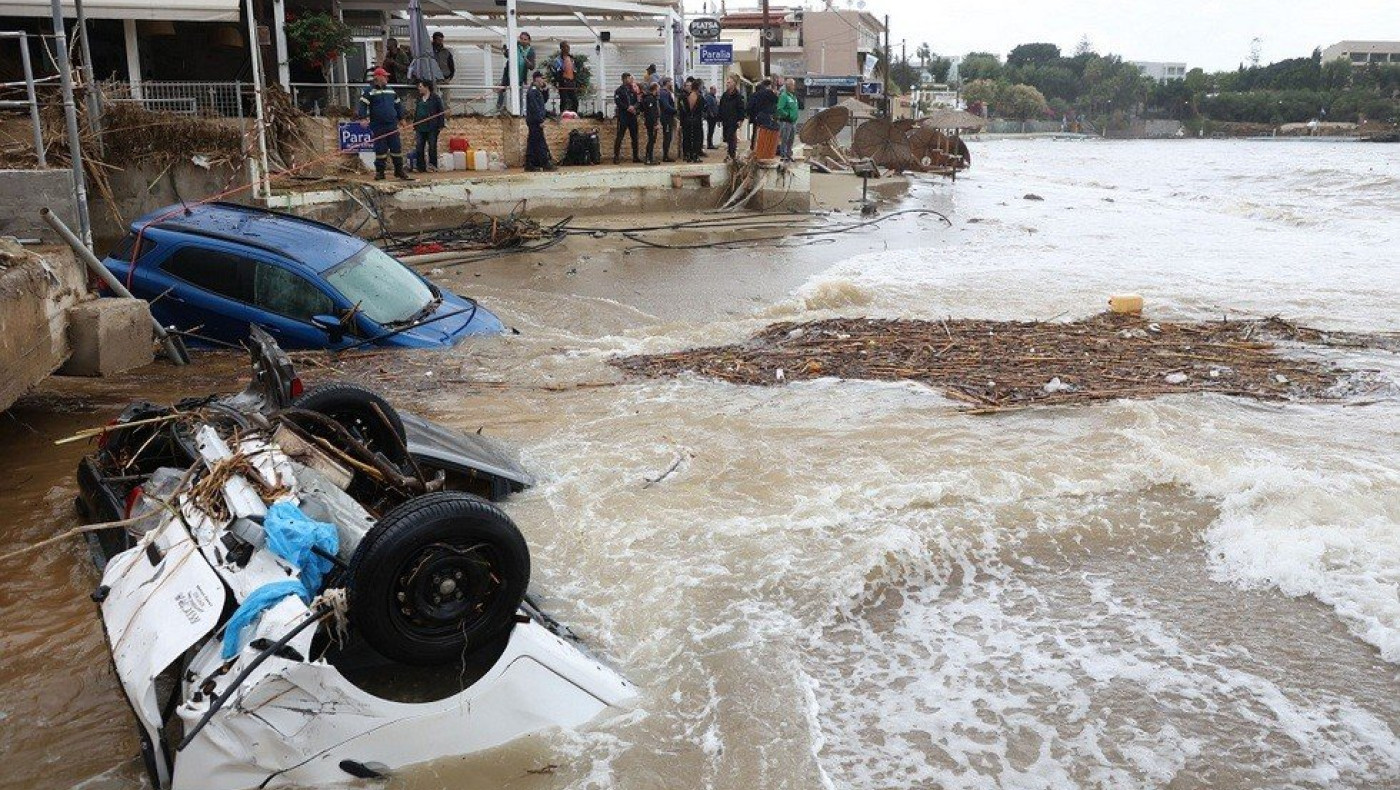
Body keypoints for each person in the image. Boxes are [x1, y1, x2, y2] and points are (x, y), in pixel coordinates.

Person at [357, 67, 411, 181]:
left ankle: (399, 171)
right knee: (380, 150)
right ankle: (380, 172)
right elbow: (362, 105)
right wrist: (362, 118)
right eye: (385, 76)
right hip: (378, 125)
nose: (387, 77)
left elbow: (398, 105)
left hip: (392, 124)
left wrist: (402, 119)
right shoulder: (369, 91)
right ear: (378, 77)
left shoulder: (391, 90)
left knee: (396, 148)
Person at [412, 79, 446, 173]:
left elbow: (441, 111)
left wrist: (441, 124)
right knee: (419, 146)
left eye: (420, 86)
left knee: (432, 146)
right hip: (420, 126)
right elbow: (417, 112)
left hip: (432, 126)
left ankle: (432, 165)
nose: (419, 88)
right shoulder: (419, 98)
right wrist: (415, 123)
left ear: (426, 87)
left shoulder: (435, 98)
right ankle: (420, 166)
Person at [496, 31, 535, 112]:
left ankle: (519, 112)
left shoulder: (531, 51)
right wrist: (504, 50)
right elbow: (507, 54)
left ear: (529, 41)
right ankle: (499, 109)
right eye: (521, 38)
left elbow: (532, 66)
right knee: (502, 90)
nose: (523, 41)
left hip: (520, 76)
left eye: (525, 39)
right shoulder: (515, 45)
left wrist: (526, 60)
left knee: (519, 94)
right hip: (508, 74)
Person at [525, 71, 554, 171]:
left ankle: (530, 164)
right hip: (534, 120)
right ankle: (544, 164)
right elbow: (534, 107)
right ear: (537, 78)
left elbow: (543, 101)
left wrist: (546, 90)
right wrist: (540, 120)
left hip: (535, 120)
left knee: (533, 142)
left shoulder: (537, 91)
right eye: (542, 78)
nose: (543, 81)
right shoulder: (533, 91)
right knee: (539, 142)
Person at [612, 72, 640, 164]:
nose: (630, 80)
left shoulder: (632, 90)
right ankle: (616, 157)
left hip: (632, 116)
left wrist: (634, 107)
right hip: (623, 116)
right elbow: (618, 102)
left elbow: (637, 101)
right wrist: (627, 107)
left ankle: (635, 157)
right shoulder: (619, 91)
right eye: (628, 78)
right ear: (624, 79)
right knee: (620, 136)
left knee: (634, 137)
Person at [718, 75, 745, 162]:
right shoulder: (725, 95)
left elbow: (741, 108)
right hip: (725, 119)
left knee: (731, 137)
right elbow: (721, 107)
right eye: (727, 82)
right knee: (726, 137)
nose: (727, 84)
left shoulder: (738, 96)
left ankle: (731, 155)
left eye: (729, 82)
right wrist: (719, 118)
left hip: (733, 120)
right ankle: (731, 153)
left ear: (734, 83)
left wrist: (740, 119)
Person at [749, 78, 779, 152]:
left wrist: (752, 116)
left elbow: (749, 106)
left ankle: (753, 148)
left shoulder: (754, 94)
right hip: (766, 116)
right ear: (768, 86)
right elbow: (777, 102)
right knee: (766, 133)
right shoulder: (769, 93)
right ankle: (763, 150)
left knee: (755, 133)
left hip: (755, 117)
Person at [552, 41, 579, 114]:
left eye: (568, 46)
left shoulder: (571, 59)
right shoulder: (557, 60)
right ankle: (562, 115)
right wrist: (560, 79)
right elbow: (555, 71)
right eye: (566, 46)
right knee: (563, 100)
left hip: (571, 82)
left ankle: (574, 115)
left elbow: (575, 70)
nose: (568, 48)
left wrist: (575, 80)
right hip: (563, 82)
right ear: (561, 48)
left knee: (575, 100)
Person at [776, 77, 799, 161]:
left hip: (793, 122)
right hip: (786, 122)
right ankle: (784, 155)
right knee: (785, 139)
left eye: (794, 85)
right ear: (788, 86)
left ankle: (789, 154)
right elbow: (779, 109)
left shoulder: (793, 97)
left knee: (791, 139)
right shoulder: (784, 96)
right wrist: (788, 115)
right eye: (792, 85)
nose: (794, 86)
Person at [431, 32, 454, 110]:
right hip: (433, 79)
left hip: (445, 78)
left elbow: (451, 65)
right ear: (434, 40)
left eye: (442, 40)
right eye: (438, 40)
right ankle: (434, 115)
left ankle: (446, 117)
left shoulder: (446, 52)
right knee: (433, 98)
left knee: (446, 99)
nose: (440, 42)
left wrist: (450, 76)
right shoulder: (429, 52)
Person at [640, 81, 660, 165]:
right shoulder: (650, 98)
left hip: (651, 122)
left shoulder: (651, 98)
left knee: (652, 140)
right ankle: (649, 158)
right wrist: (655, 123)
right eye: (658, 89)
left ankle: (650, 157)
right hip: (651, 122)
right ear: (655, 89)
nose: (659, 91)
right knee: (651, 140)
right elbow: (651, 112)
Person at [658, 77, 677, 162]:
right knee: (667, 136)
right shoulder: (664, 93)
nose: (671, 83)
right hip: (666, 117)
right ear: (667, 83)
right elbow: (666, 106)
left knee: (668, 136)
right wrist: (675, 111)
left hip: (668, 116)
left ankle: (666, 154)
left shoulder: (666, 92)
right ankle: (665, 156)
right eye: (670, 82)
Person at [704, 85, 721, 149]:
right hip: (711, 117)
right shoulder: (709, 97)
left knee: (712, 130)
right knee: (710, 130)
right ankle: (709, 144)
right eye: (714, 90)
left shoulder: (713, 97)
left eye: (715, 90)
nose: (715, 91)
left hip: (714, 116)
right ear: (711, 90)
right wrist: (711, 114)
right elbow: (708, 107)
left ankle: (711, 144)